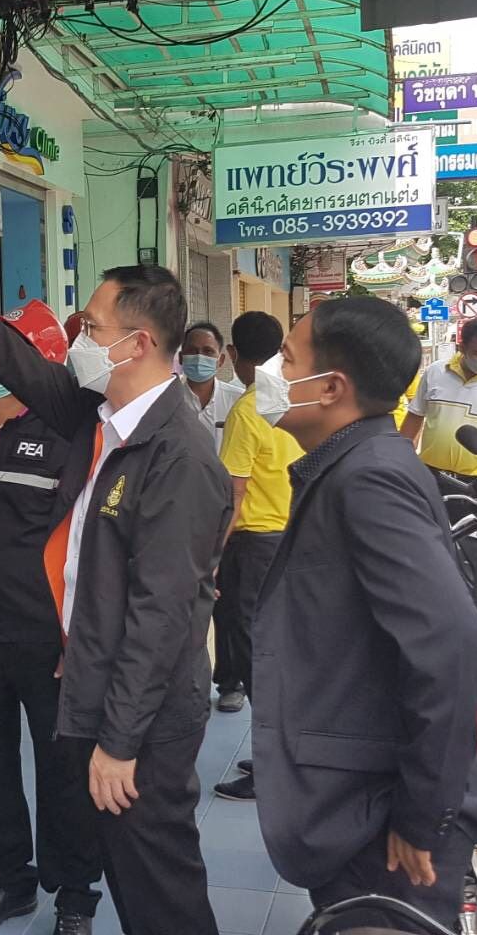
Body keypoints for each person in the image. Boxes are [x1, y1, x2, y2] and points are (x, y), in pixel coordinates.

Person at [0, 213, 231, 935]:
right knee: (137, 875)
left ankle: (76, 897)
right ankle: (21, 883)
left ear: (138, 343)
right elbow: (24, 365)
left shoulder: (176, 455)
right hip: (92, 677)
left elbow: (163, 615)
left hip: (145, 712)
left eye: (91, 328)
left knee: (159, 882)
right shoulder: (104, 419)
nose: (77, 342)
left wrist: (119, 742)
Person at [246, 298, 477, 934]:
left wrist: (421, 817)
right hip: (360, 802)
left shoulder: (368, 477)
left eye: (287, 360)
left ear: (332, 387)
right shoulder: (351, 463)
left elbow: (447, 643)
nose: (271, 373)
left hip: (383, 820)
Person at [0, 300, 103, 935]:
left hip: (47, 640)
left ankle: (75, 896)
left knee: (64, 772)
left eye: (2, 351)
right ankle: (9, 882)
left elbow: (91, 545)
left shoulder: (72, 437)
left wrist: (80, 636)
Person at [208, 312, 304, 730]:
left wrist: (212, 555)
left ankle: (272, 747)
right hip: (293, 534)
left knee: (251, 642)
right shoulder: (294, 397)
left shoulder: (248, 411)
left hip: (254, 544)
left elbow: (234, 492)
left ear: (232, 354)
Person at [401, 316, 477, 488]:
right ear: (462, 347)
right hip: (429, 472)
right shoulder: (435, 372)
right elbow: (415, 416)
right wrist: (403, 459)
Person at [179, 321, 244, 452]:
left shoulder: (239, 401)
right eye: (192, 351)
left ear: (220, 360)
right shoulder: (168, 401)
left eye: (208, 351)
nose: (199, 357)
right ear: (181, 358)